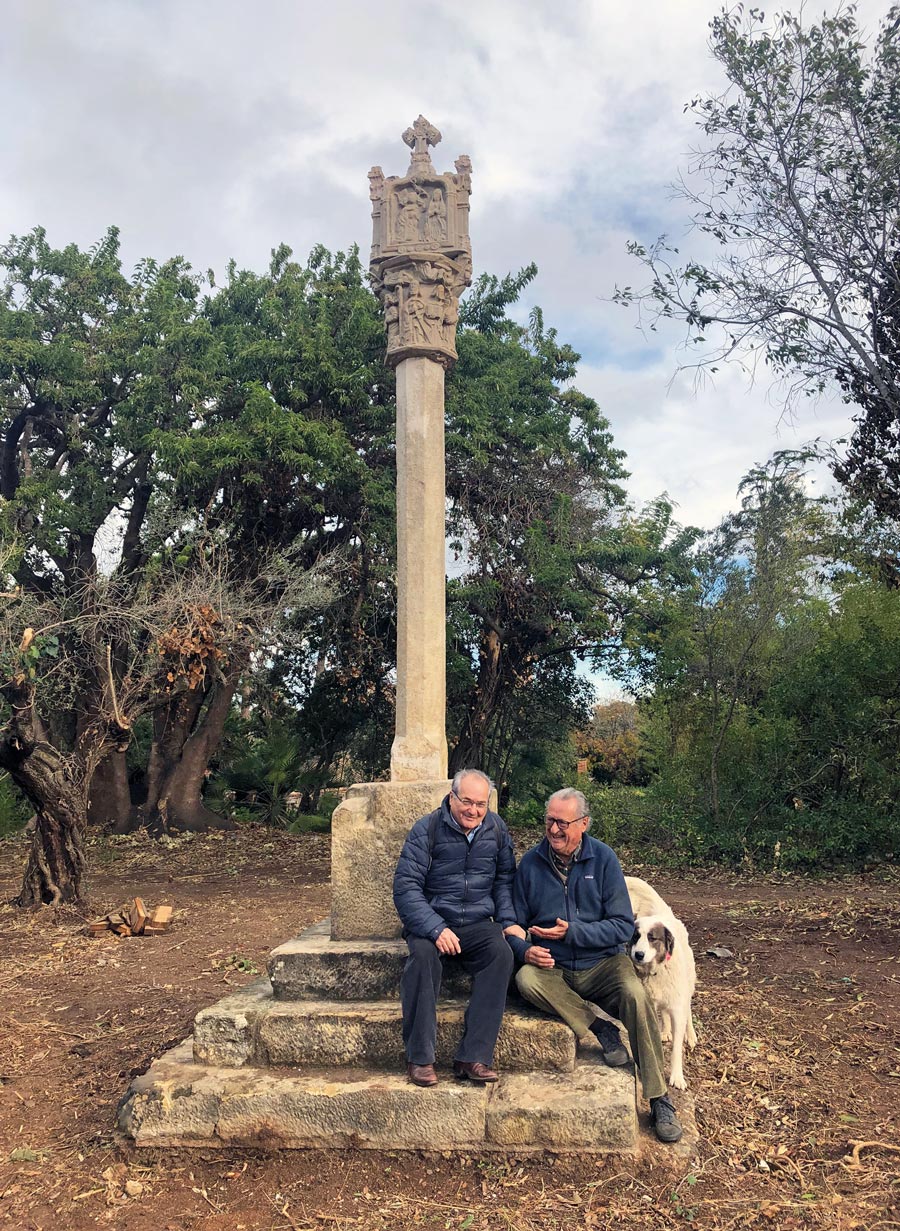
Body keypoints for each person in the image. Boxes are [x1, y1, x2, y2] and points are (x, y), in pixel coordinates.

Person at [505, 788, 684, 1143]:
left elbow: (620, 925)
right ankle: (600, 1028)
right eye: (549, 821)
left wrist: (574, 932)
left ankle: (659, 1096)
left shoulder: (603, 860)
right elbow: (511, 920)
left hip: (603, 963)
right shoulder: (530, 864)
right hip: (553, 967)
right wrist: (525, 949)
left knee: (636, 995)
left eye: (563, 823)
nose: (554, 830)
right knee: (526, 979)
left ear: (583, 824)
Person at [392, 769, 517, 1088]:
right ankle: (420, 1058)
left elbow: (505, 879)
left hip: (477, 923)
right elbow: (406, 887)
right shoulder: (428, 828)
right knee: (421, 958)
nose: (473, 810)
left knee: (500, 954)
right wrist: (435, 928)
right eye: (466, 801)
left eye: (480, 804)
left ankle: (473, 1056)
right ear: (452, 798)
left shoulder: (496, 829)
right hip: (432, 923)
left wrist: (507, 921)